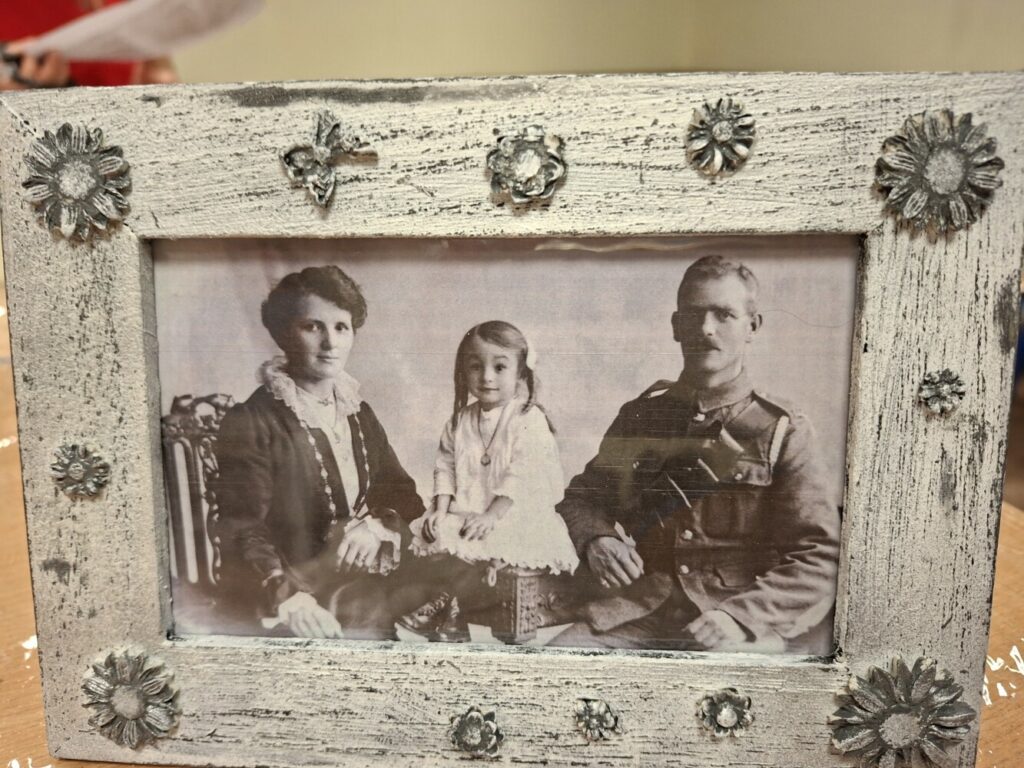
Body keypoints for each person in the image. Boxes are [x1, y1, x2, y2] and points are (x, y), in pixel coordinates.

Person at [551, 255, 840, 654]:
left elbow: (820, 556)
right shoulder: (641, 417)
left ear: (752, 326)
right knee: (552, 665)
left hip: (733, 618)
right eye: (693, 314)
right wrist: (597, 539)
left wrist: (741, 617)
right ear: (676, 326)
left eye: (724, 314)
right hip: (641, 611)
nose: (706, 328)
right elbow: (582, 499)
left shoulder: (782, 430)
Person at [210, 265, 425, 640]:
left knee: (450, 588)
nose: (330, 343)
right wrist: (289, 599)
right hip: (291, 590)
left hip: (354, 579)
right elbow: (242, 528)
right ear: (283, 333)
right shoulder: (254, 419)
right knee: (372, 616)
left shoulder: (358, 412)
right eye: (313, 327)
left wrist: (375, 527)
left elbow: (404, 496)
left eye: (341, 327)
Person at [400, 321, 579, 641]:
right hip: (470, 512)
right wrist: (439, 509)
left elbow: (522, 473)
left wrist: (491, 516)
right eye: (475, 366)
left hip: (514, 515)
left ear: (520, 373)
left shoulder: (528, 418)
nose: (486, 377)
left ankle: (451, 607)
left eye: (499, 367)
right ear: (463, 372)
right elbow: (445, 467)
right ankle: (450, 608)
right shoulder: (459, 421)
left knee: (489, 539)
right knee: (437, 531)